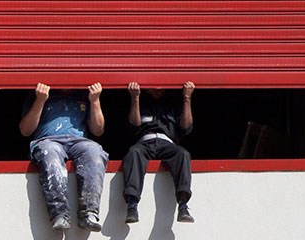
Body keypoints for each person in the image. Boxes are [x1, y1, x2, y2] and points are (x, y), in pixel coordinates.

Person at [19, 82, 107, 231]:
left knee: (94, 152)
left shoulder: (83, 93)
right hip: (48, 139)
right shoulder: (41, 92)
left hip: (78, 141)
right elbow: (25, 130)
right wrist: (40, 100)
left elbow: (98, 130)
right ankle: (59, 214)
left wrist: (95, 100)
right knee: (50, 153)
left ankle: (89, 213)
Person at [123, 82, 195, 224]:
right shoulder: (142, 100)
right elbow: (134, 126)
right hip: (144, 143)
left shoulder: (173, 102)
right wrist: (135, 98)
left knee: (183, 154)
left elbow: (186, 128)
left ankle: (183, 205)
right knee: (133, 152)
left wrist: (187, 98)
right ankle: (132, 205)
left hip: (168, 143)